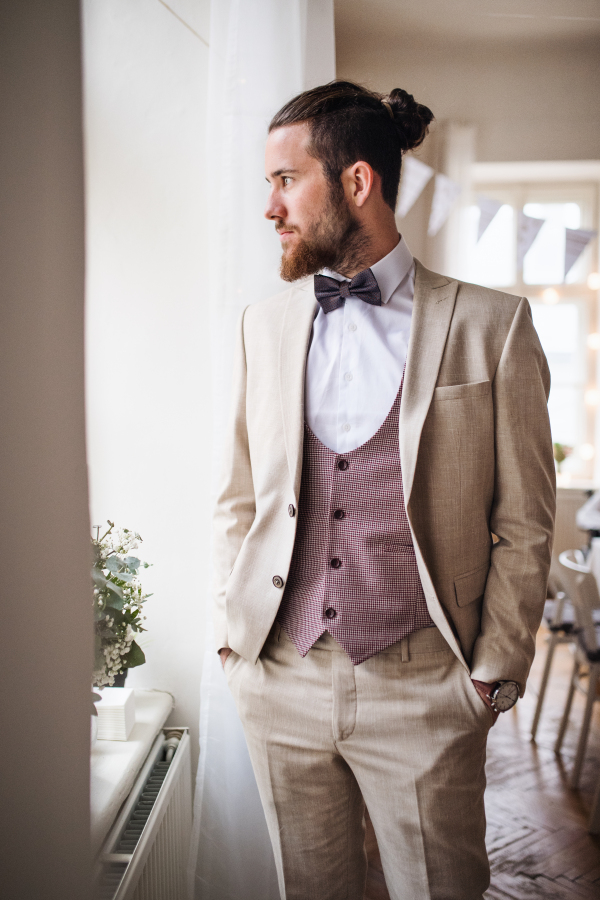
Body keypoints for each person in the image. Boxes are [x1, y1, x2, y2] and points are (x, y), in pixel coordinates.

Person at [212, 81, 555, 900]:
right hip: (280, 679)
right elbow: (237, 498)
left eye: (285, 180)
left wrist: (488, 673)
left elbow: (526, 520)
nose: (270, 207)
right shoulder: (265, 323)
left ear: (356, 182)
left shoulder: (491, 326)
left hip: (427, 688)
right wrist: (235, 643)